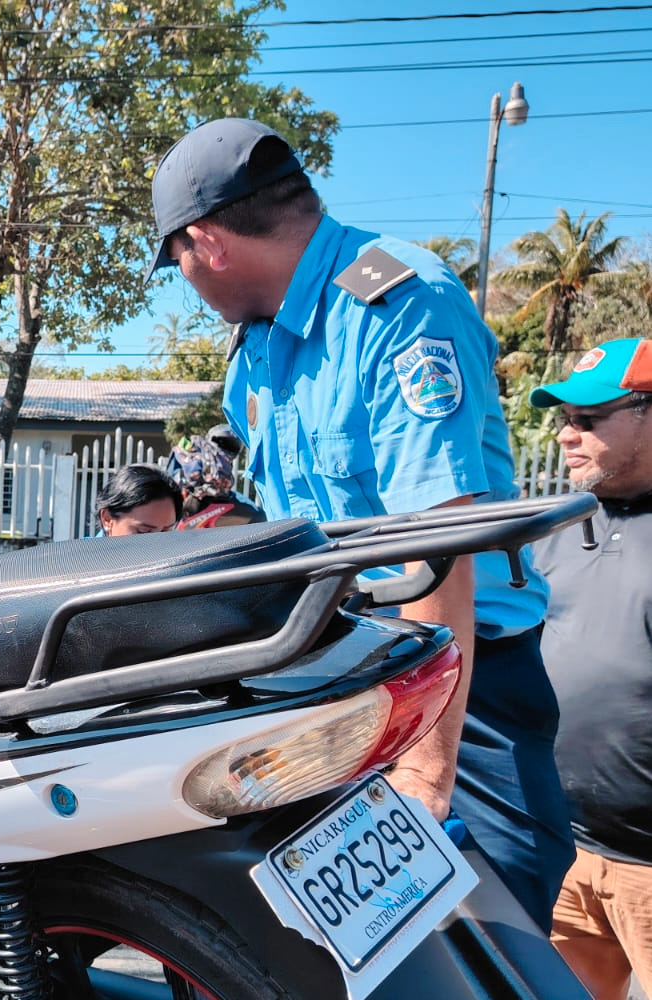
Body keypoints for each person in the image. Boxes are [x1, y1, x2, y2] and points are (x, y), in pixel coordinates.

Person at [148, 116, 573, 930]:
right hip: (340, 671)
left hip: (458, 684)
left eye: (179, 262)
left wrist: (424, 773)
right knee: (332, 945)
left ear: (209, 242)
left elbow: (437, 548)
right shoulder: (259, 348)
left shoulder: (399, 304)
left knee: (493, 937)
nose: (188, 280)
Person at [527, 337, 652, 1000]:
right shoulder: (554, 531)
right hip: (568, 855)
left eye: (589, 420)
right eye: (564, 420)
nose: (566, 436)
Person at [92, 464, 182, 536]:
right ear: (107, 519)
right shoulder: (82, 557)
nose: (157, 544)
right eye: (144, 532)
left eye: (166, 533)